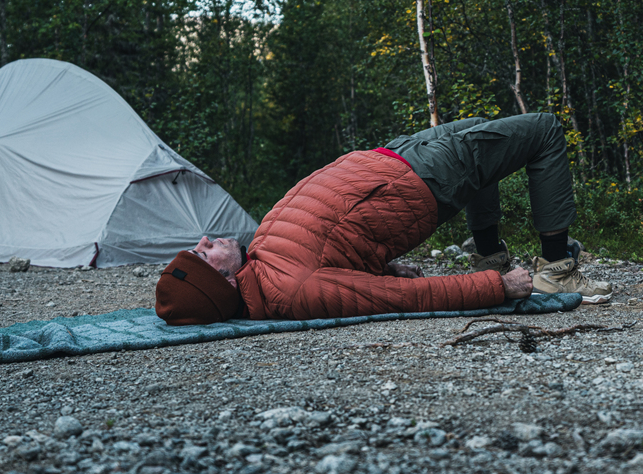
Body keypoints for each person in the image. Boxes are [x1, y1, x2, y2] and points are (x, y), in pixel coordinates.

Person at [155, 113, 611, 325]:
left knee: (483, 125)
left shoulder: (258, 260)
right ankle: (556, 270)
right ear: (226, 283)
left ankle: (488, 254)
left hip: (392, 157)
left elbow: (333, 249)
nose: (206, 238)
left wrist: (379, 264)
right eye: (203, 252)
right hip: (420, 178)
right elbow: (399, 298)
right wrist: (497, 288)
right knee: (545, 130)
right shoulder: (291, 291)